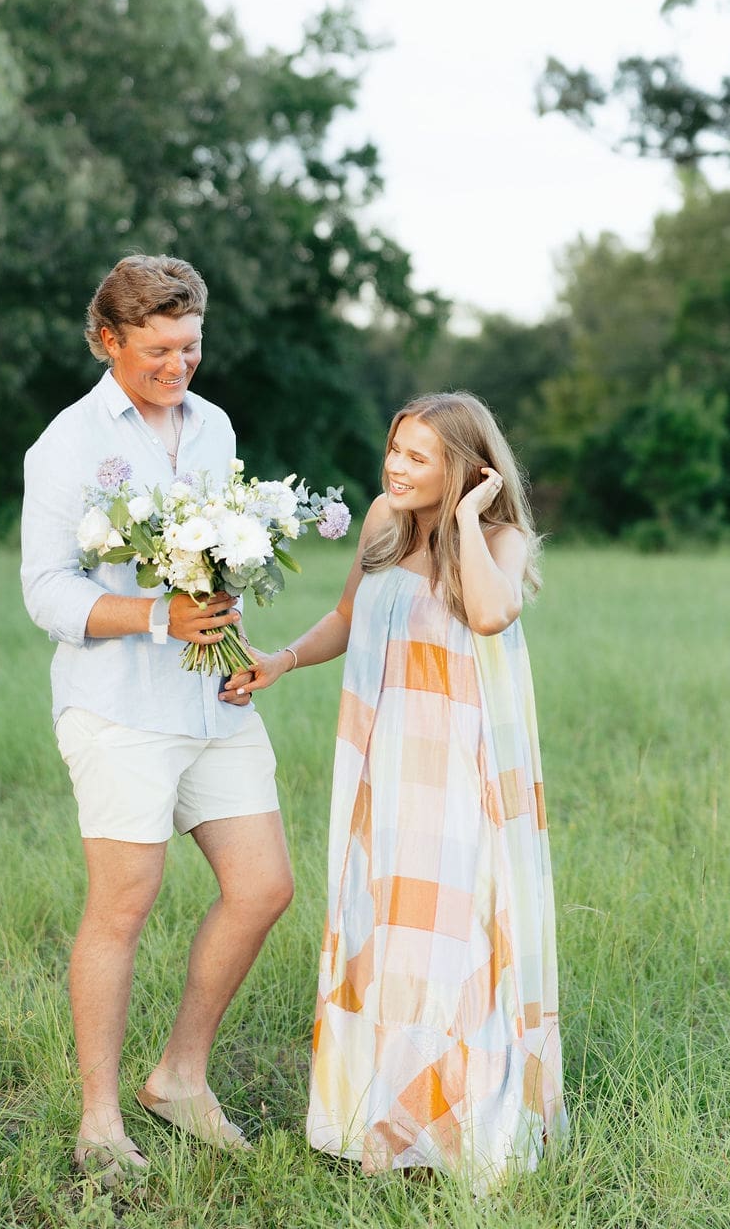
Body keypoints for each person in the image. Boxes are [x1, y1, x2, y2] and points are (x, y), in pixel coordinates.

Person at [227, 392, 566, 1193]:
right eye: (394, 450)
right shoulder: (382, 518)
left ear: (465, 467)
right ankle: (380, 1119)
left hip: (459, 777)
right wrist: (281, 658)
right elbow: (349, 613)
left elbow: (489, 614)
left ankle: (463, 1130)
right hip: (383, 764)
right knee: (380, 929)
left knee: (457, 939)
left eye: (419, 456)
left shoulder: (500, 539)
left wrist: (467, 520)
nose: (397, 468)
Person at [21, 255, 293, 1185]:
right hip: (119, 710)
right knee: (124, 907)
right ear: (109, 341)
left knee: (263, 887)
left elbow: (223, 558)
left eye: (192, 347)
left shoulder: (213, 427)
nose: (179, 365)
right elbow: (46, 592)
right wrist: (152, 617)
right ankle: (100, 1120)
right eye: (159, 350)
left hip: (211, 700)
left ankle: (179, 1077)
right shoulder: (66, 444)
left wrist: (235, 642)